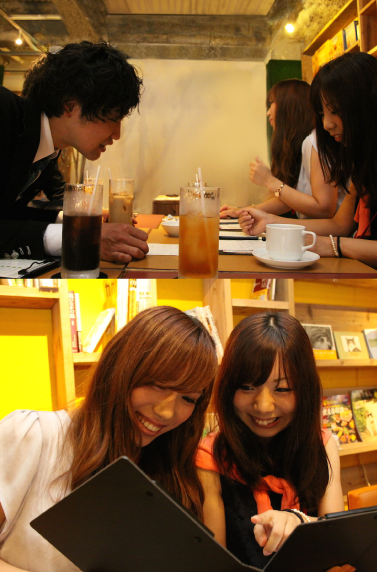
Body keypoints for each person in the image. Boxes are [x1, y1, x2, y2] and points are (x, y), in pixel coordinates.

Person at [0, 306, 218, 572]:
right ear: (120, 367)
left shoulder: (173, 474)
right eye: (159, 385)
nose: (166, 412)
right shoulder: (34, 434)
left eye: (188, 398)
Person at [196, 311, 344, 570]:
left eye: (282, 389)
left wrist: (300, 521)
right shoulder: (210, 455)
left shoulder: (322, 444)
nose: (263, 406)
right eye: (247, 387)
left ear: (305, 390)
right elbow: (214, 563)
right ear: (229, 388)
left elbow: (338, 541)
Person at [238, 53, 377, 274]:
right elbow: (339, 225)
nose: (327, 124)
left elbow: (326, 212)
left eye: (335, 111)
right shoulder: (366, 159)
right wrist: (270, 222)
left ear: (369, 102)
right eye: (323, 114)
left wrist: (335, 246)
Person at [0, 41, 148, 263]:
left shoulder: (47, 148)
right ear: (70, 105)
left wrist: (81, 223)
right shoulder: (4, 113)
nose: (117, 134)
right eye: (113, 118)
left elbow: (10, 216)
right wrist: (79, 237)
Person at [220, 79, 344, 220]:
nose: (268, 113)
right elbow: (290, 201)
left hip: (328, 232)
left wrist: (269, 180)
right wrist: (243, 211)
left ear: (290, 105)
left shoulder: (313, 141)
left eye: (272, 103)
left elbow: (324, 209)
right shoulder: (303, 144)